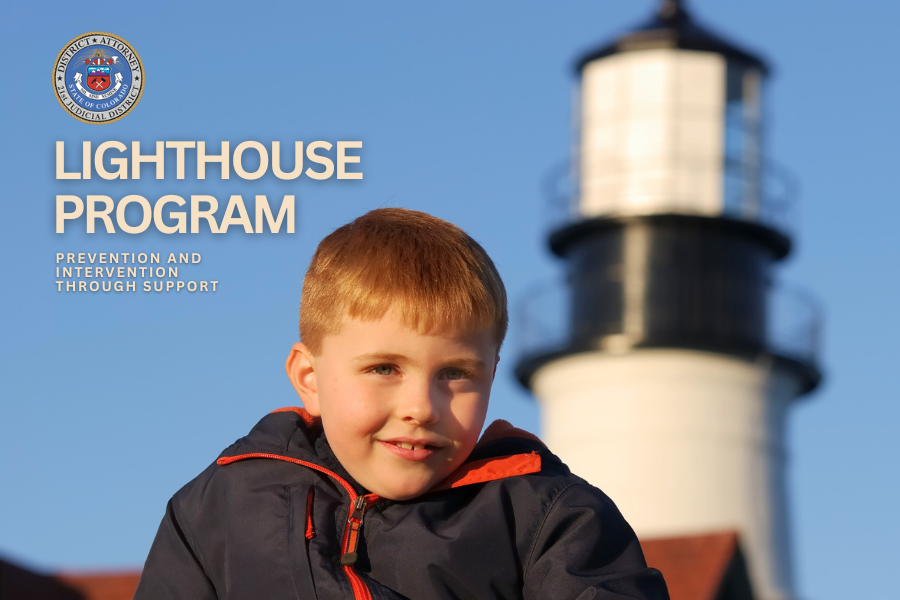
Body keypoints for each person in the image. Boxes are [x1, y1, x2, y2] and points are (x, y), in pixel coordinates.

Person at [133, 208, 669, 600]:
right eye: (384, 369)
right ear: (309, 377)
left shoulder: (550, 517)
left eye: (455, 374)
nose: (421, 406)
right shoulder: (222, 505)